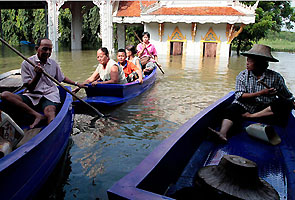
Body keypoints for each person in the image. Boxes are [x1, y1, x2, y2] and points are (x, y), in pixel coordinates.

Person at [209, 44, 294, 142]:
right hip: (246, 107)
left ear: (260, 62)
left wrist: (291, 101)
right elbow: (239, 96)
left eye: (250, 60)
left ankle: (251, 117)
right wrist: (260, 93)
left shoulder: (276, 77)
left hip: (265, 111)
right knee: (231, 109)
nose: (247, 63)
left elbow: (287, 96)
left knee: (285, 104)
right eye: (247, 60)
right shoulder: (243, 75)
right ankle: (222, 133)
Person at [1, 38, 84, 129]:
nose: (47, 52)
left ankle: (51, 130)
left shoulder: (53, 64)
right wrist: (38, 75)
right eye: (44, 49)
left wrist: (76, 83)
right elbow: (30, 88)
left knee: (50, 111)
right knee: (5, 95)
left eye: (50, 50)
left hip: (50, 94)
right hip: (32, 95)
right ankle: (37, 115)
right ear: (37, 49)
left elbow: (62, 78)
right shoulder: (27, 63)